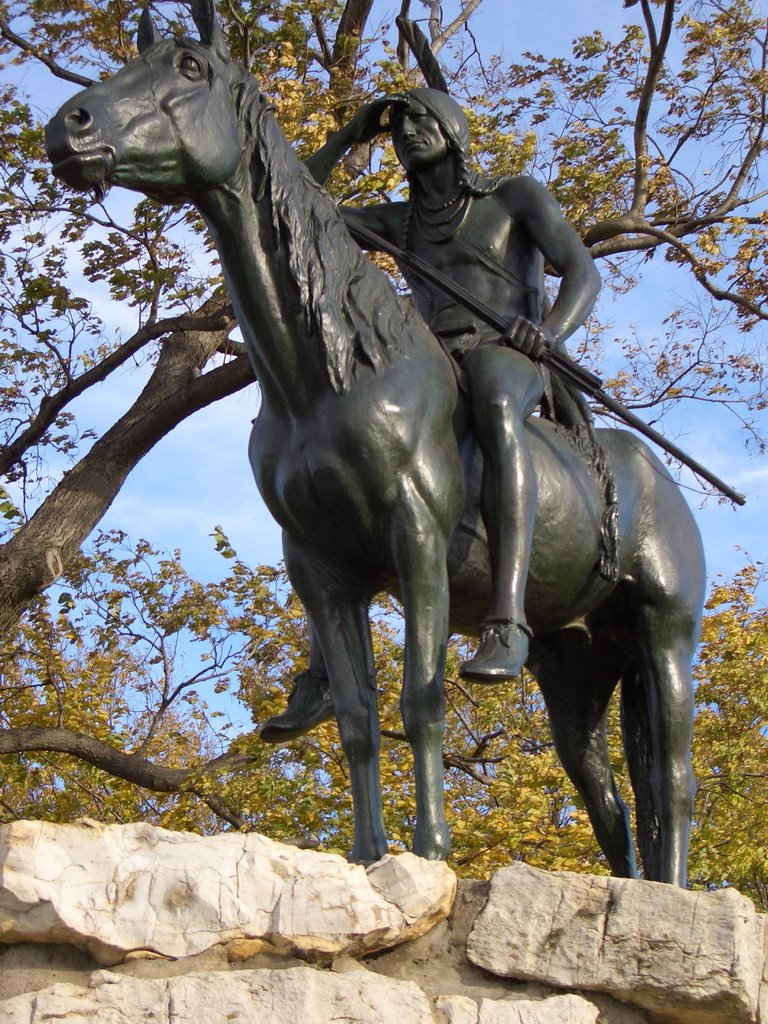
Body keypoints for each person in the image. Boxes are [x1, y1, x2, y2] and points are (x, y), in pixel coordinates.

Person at [260, 88, 601, 743]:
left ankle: (507, 617)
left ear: (452, 128)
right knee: (339, 461)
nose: (408, 131)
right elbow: (294, 203)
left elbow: (582, 272)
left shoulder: (513, 198)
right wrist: (346, 137)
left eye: (421, 118)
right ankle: (325, 671)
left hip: (506, 352)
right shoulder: (401, 220)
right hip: (434, 363)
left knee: (499, 405)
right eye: (398, 124)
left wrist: (549, 333)